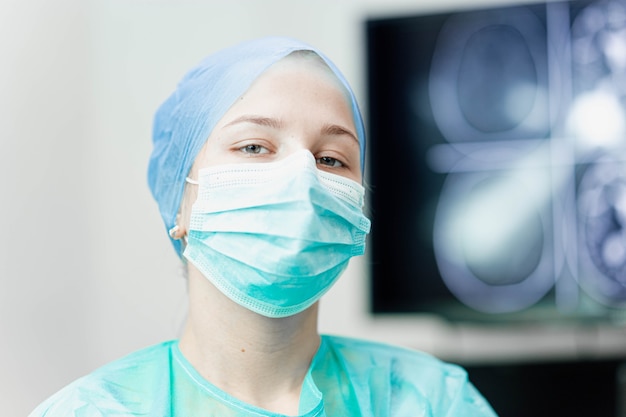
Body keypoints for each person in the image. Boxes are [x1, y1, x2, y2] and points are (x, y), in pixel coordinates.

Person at [29, 36, 497, 417]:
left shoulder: (428, 400)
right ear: (180, 201)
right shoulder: (95, 410)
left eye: (331, 159)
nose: (303, 180)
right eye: (254, 147)